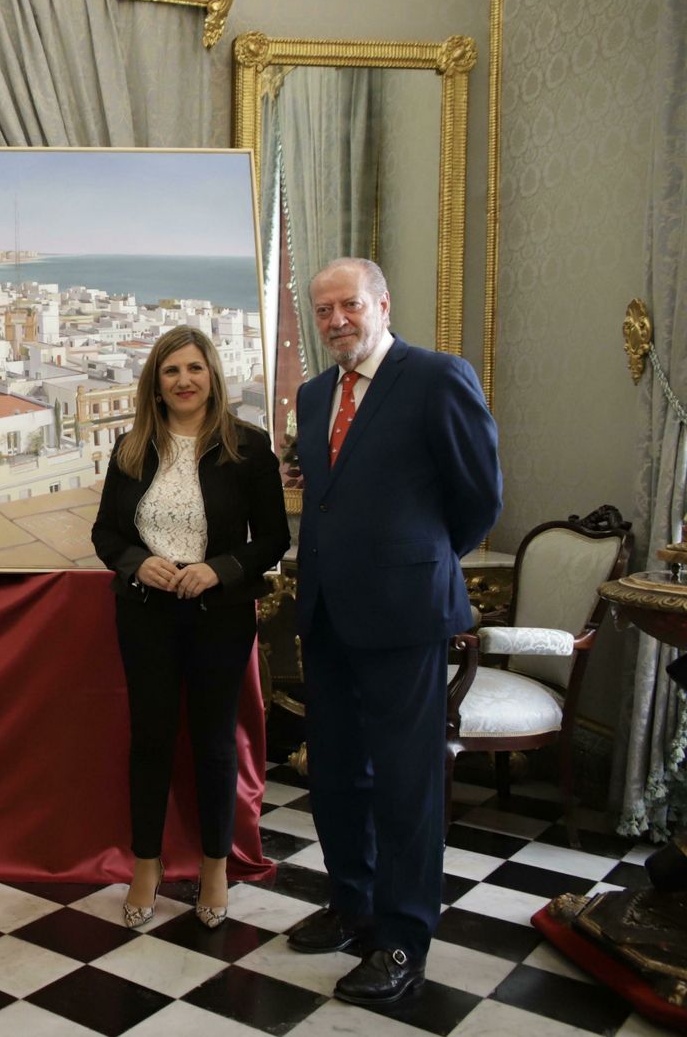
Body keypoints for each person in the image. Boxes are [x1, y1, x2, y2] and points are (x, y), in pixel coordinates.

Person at [286, 258, 501, 1005]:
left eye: (348, 304)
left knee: (407, 784)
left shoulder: (438, 377)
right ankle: (352, 904)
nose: (336, 320)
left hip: (405, 614)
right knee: (336, 772)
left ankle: (403, 938)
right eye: (323, 310)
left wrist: (421, 560)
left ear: (381, 303)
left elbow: (479, 498)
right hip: (326, 611)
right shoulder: (316, 395)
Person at [91, 326, 290, 931]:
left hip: (219, 615)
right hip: (145, 613)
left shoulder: (249, 447)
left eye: (194, 368)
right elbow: (105, 533)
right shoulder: (131, 448)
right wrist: (136, 562)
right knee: (151, 740)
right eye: (172, 370)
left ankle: (214, 867)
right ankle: (146, 866)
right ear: (156, 383)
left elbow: (274, 538)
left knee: (213, 743)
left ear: (212, 376)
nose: (184, 380)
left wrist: (218, 569)